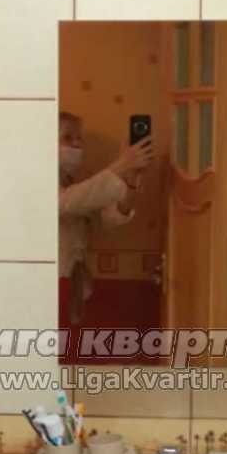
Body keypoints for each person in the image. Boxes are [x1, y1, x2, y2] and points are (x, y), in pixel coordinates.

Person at [58, 110, 155, 335]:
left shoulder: (77, 180)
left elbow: (106, 220)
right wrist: (120, 166)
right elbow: (65, 203)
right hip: (53, 280)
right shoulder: (38, 177)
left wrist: (131, 182)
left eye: (79, 138)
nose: (76, 144)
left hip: (74, 278)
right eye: (67, 138)